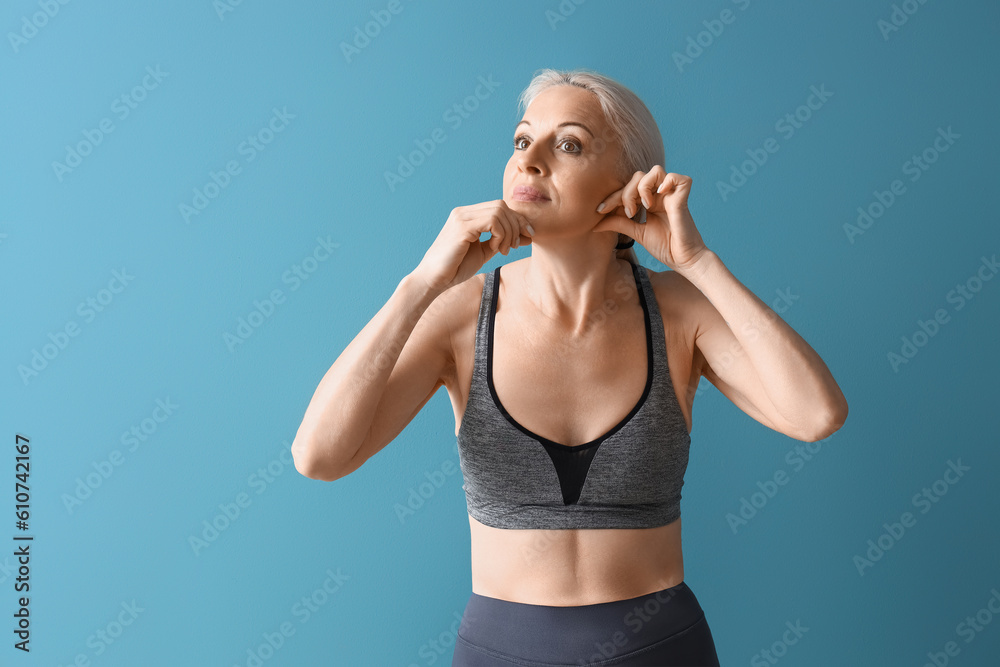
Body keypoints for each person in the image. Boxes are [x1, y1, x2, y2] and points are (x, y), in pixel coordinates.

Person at [291, 68, 849, 666]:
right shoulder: (459, 317)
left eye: (568, 144)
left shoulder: (679, 310)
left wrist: (698, 263)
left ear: (630, 182)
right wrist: (420, 285)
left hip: (660, 648)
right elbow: (320, 456)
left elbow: (816, 414)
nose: (529, 160)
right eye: (521, 140)